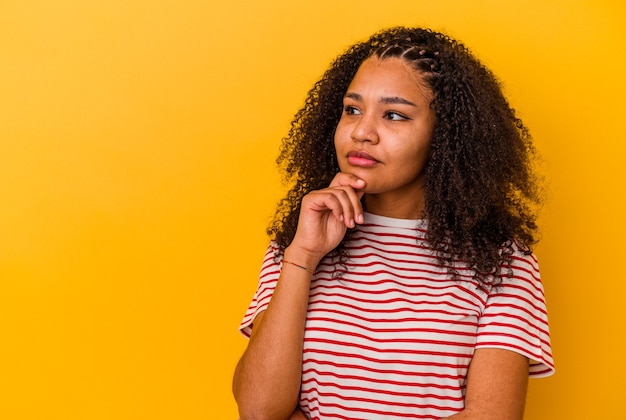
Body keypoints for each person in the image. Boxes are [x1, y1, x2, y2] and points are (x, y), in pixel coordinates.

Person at [232, 27, 554, 420]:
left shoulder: (501, 260)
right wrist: (302, 256)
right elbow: (260, 410)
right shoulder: (300, 239)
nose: (361, 132)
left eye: (394, 115)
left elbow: (490, 416)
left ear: (445, 137)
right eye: (352, 109)